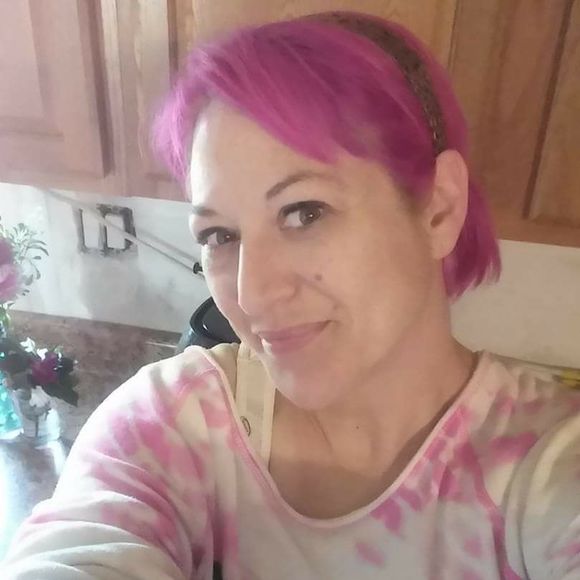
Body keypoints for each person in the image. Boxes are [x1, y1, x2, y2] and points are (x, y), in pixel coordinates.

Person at [2, 11, 580, 580]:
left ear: (439, 209)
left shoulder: (548, 464)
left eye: (304, 212)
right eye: (220, 235)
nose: (251, 294)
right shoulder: (174, 424)